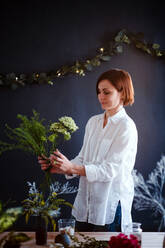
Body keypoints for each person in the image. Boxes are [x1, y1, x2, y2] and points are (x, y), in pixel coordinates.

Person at [38, 68, 138, 232]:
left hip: (109, 205)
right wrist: (62, 166)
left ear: (122, 92)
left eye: (106, 92)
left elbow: (110, 170)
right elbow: (83, 158)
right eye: (99, 92)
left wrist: (72, 168)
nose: (100, 96)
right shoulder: (93, 122)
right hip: (85, 203)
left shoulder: (126, 127)